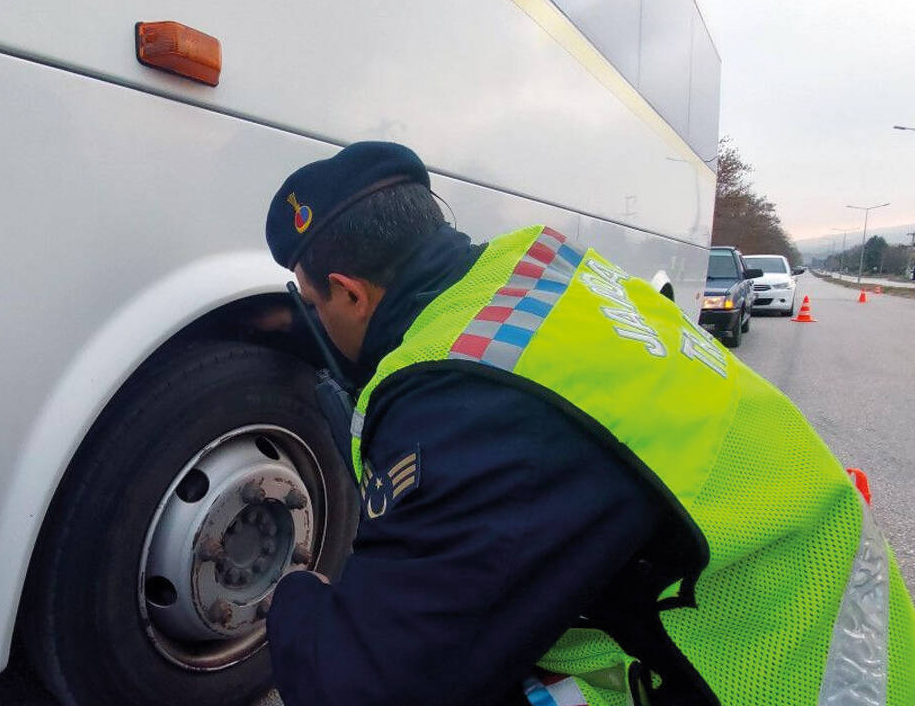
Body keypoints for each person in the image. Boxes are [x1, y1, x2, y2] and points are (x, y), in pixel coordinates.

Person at [260, 142, 915, 706]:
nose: (315, 321)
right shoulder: (535, 273)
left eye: (315, 303)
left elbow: (371, 686)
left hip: (793, 678)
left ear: (350, 291)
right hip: (814, 610)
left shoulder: (469, 402)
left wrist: (296, 595)